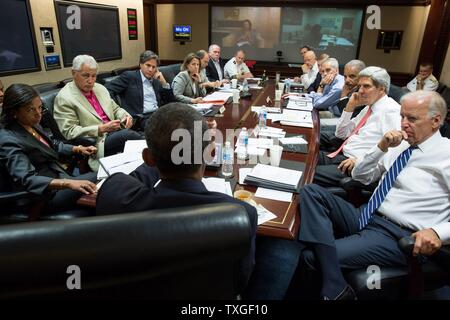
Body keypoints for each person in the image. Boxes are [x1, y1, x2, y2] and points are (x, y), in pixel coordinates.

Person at [290, 90, 449, 300]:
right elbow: (360, 176)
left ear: (436, 121)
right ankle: (338, 285)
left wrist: (438, 232)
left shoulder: (446, 154)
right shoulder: (399, 144)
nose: (403, 124)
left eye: (411, 118)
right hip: (367, 214)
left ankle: (332, 287)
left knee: (311, 258)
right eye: (402, 116)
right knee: (309, 190)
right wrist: (381, 147)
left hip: (397, 234)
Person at [96, 102, 258, 292]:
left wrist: (161, 154)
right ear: (210, 153)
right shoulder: (241, 214)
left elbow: (128, 179)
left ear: (148, 159)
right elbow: (240, 282)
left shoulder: (114, 193)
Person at [0, 84, 97, 217]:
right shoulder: (7, 139)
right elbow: (28, 179)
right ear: (14, 112)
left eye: (40, 107)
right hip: (42, 197)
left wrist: (78, 149)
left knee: (107, 185)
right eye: (31, 110)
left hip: (59, 180)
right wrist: (68, 183)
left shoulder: (31, 124)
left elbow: (51, 146)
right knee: (101, 177)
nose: (38, 114)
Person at [313, 66, 401, 188]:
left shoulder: (392, 111)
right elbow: (341, 134)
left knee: (308, 172)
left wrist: (358, 161)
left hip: (355, 166)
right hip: (341, 155)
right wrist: (350, 106)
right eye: (360, 86)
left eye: (366, 86)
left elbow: (393, 149)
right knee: (305, 155)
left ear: (381, 88)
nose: (360, 90)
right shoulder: (369, 106)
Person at [53, 55, 142, 171]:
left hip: (116, 131)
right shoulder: (64, 98)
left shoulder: (100, 88)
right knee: (129, 136)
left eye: (94, 76)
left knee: (137, 139)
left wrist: (124, 116)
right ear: (73, 73)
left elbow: (115, 109)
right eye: (85, 76)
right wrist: (100, 128)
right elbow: (69, 132)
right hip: (97, 142)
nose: (91, 81)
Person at [105, 50, 174, 131]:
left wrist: (164, 83)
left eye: (154, 67)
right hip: (140, 118)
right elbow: (106, 90)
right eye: (148, 65)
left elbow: (171, 102)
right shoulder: (130, 77)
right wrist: (118, 110)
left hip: (158, 115)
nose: (151, 69)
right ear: (141, 64)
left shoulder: (156, 81)